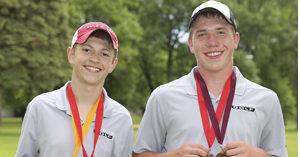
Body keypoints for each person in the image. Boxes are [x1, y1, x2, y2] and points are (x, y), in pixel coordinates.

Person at [133, 1, 288, 157]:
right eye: (202, 34)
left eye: (221, 32)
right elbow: (138, 154)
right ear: (191, 44)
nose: (212, 42)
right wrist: (173, 155)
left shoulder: (267, 99)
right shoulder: (162, 96)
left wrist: (260, 155)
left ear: (235, 40)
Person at [15, 22, 133, 157]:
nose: (95, 59)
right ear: (71, 55)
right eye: (87, 50)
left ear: (113, 64)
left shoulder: (121, 118)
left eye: (104, 54)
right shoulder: (40, 107)